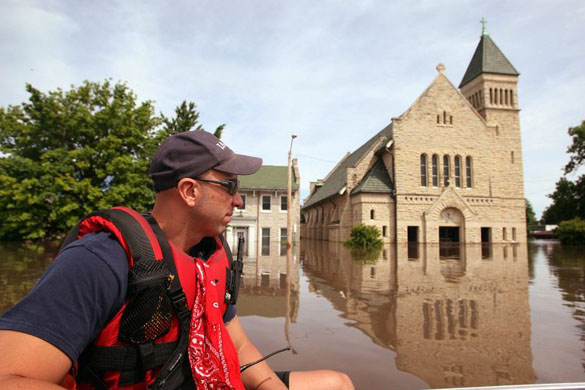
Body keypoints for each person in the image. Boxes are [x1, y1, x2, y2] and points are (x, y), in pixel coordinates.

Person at [0, 130, 354, 390]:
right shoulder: (100, 260)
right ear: (189, 190)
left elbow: (239, 345)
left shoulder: (212, 256)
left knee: (337, 383)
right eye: (229, 187)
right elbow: (9, 378)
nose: (239, 202)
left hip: (212, 381)